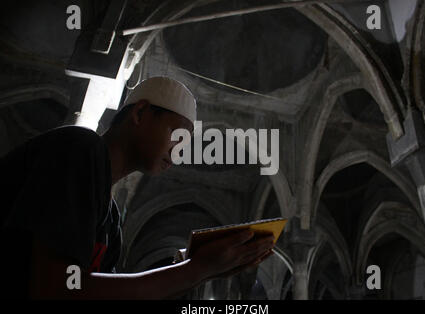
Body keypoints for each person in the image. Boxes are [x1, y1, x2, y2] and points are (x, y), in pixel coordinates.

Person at [0, 76, 274, 299]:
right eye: (177, 136)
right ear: (140, 112)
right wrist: (194, 270)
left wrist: (204, 270)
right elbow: (53, 289)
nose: (178, 153)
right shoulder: (79, 148)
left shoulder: (111, 224)